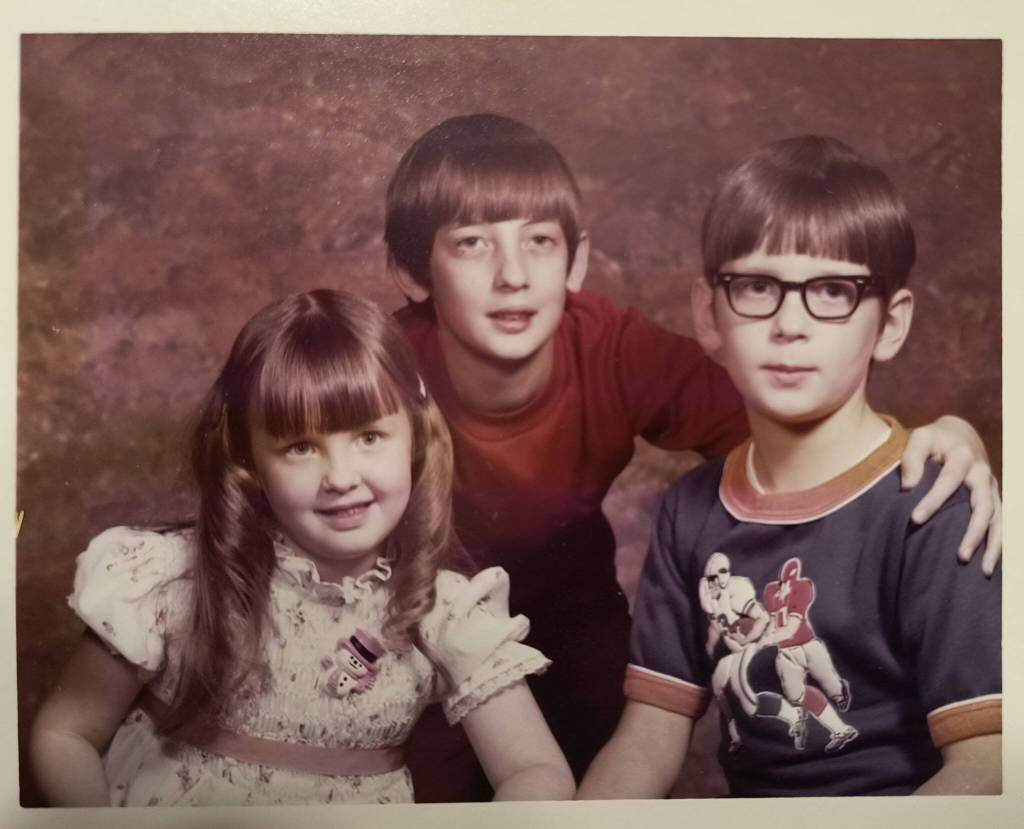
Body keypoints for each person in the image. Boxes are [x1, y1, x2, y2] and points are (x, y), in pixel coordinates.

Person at [384, 113, 1002, 800]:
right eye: (472, 243)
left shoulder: (624, 352)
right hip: (415, 627)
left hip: (577, 632)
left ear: (576, 261)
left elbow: (800, 428)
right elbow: (263, 458)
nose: (789, 324)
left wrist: (950, 436)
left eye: (830, 292)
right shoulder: (376, 370)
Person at [29, 290, 574, 806]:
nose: (340, 477)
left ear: (415, 438)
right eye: (300, 446)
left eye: (368, 437)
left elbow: (537, 772)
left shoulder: (442, 609)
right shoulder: (172, 581)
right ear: (249, 461)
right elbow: (65, 732)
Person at [578, 136, 1001, 797]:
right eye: (756, 286)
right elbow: (647, 738)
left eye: (833, 289)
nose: (790, 323)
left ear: (890, 324)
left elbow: (988, 765)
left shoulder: (934, 504)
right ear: (707, 315)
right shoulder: (689, 511)